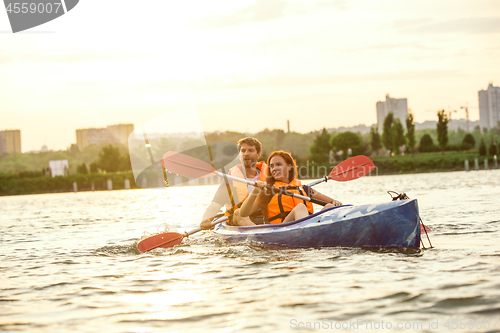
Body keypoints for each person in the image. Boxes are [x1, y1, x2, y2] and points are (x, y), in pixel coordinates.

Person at [238, 150, 342, 225]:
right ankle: (308, 233)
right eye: (272, 166)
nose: (274, 169)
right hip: (282, 229)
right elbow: (243, 213)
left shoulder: (304, 189)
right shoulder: (269, 191)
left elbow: (333, 202)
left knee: (329, 207)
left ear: (289, 167)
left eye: (278, 164)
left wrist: (336, 202)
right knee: (300, 207)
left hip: (306, 226)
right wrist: (255, 191)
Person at [200, 137, 267, 229]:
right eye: (243, 151)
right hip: (237, 218)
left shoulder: (269, 177)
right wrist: (206, 219)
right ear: (239, 156)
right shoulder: (231, 179)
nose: (246, 154)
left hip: (263, 217)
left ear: (258, 155)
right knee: (239, 213)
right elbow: (215, 204)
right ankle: (261, 235)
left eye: (251, 150)